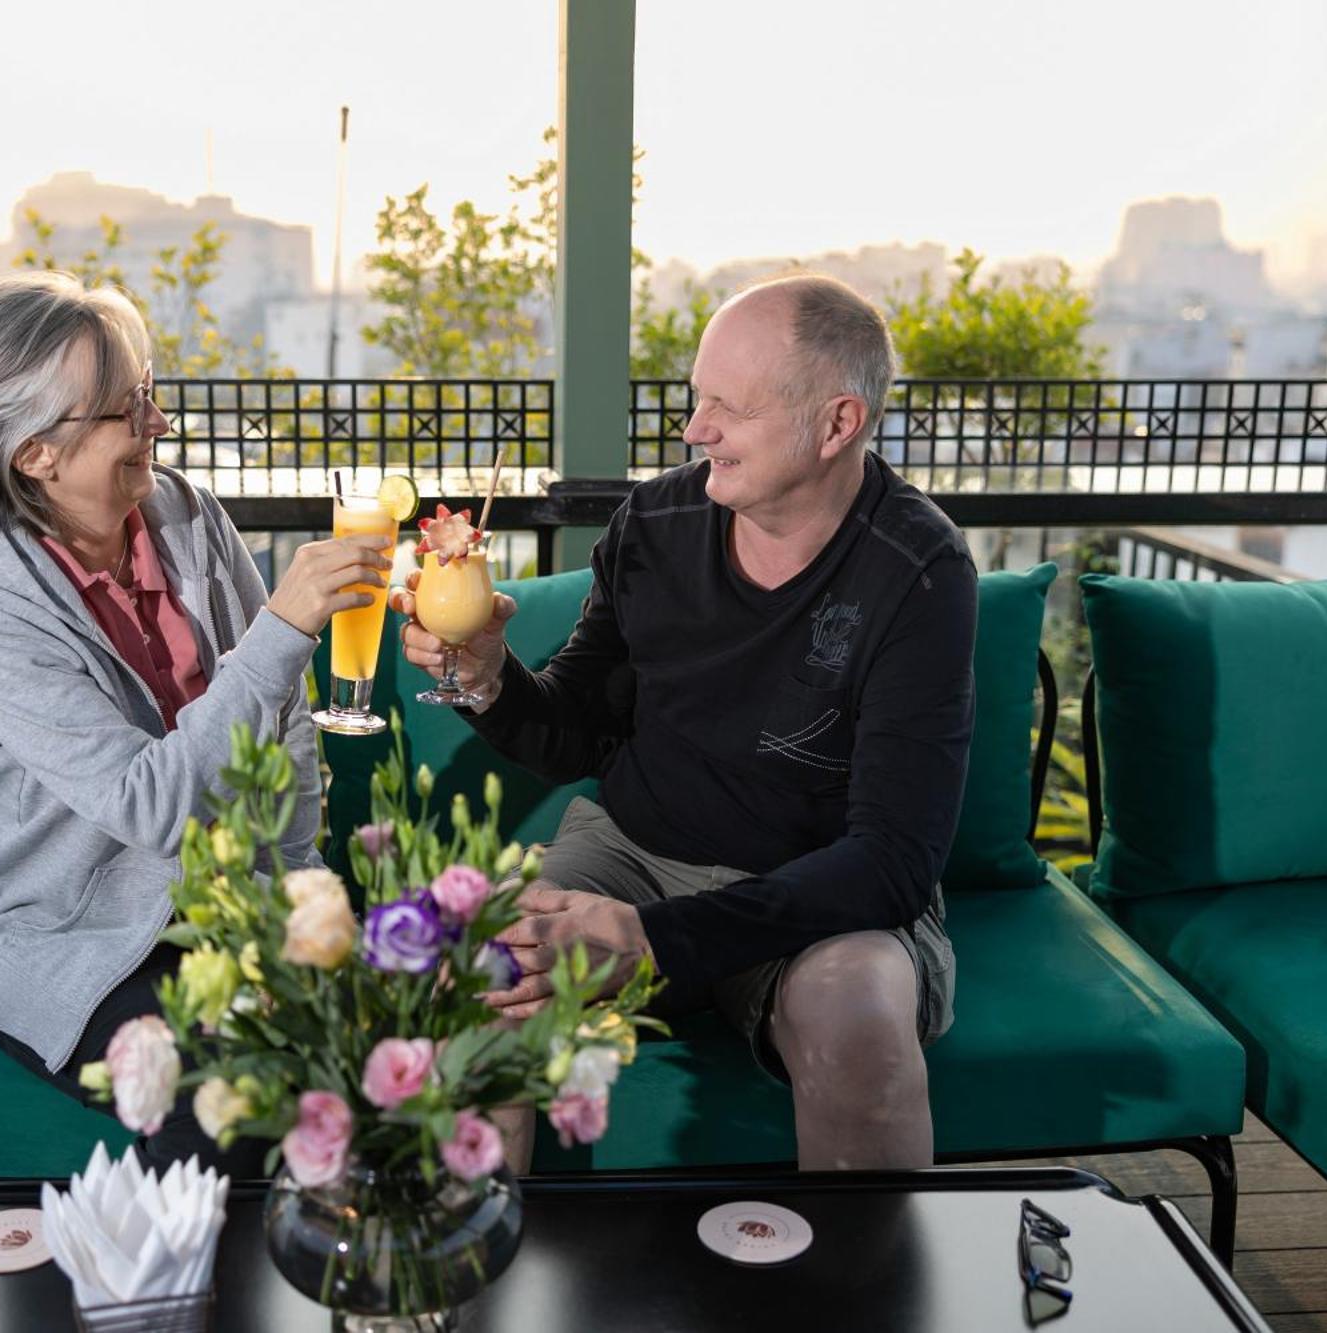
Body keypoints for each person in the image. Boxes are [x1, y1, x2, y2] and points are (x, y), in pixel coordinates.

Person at [393, 275, 975, 1171]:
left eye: (727, 409)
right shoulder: (657, 522)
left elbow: (893, 863)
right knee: (485, 972)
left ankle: (863, 1298)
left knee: (854, 1004)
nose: (695, 430)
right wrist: (491, 679)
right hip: (632, 850)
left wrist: (654, 940)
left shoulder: (917, 567)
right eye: (696, 399)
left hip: (812, 900)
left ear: (837, 423)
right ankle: (480, 1282)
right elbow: (577, 732)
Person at [0, 272, 390, 1172]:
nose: (158, 423)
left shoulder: (180, 512)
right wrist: (284, 625)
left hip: (225, 901)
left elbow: (281, 715)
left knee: (378, 1046)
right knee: (228, 1101)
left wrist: (299, 878)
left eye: (150, 393)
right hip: (72, 932)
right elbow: (150, 807)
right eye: (126, 408)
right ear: (35, 453)